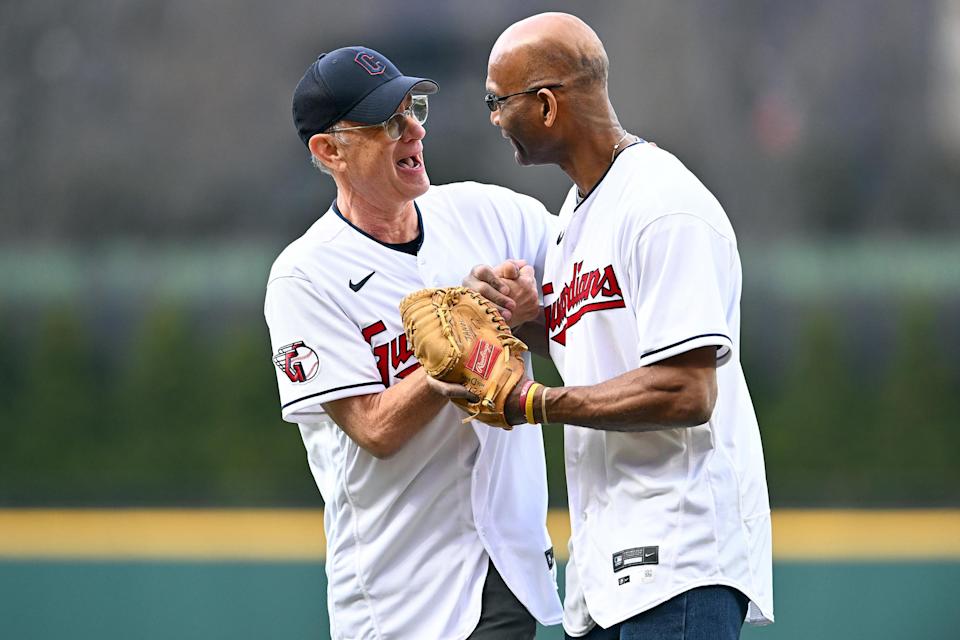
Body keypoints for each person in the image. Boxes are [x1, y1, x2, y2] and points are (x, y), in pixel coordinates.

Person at [458, 12, 775, 639]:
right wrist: (534, 322)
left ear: (546, 106)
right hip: (608, 568)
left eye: (498, 102)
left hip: (681, 557)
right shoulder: (575, 213)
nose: (493, 119)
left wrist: (534, 403)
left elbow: (687, 390)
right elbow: (608, 364)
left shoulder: (662, 205)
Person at [263, 46, 563, 640]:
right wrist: (459, 346)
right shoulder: (305, 275)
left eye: (413, 108)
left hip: (509, 568)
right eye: (387, 122)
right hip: (401, 593)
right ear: (329, 150)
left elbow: (585, 306)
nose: (415, 130)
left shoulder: (491, 212)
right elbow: (375, 429)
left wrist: (532, 309)